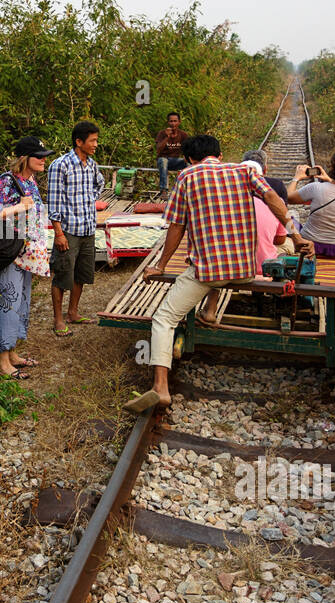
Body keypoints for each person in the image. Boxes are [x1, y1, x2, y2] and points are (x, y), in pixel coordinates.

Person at [123, 150, 314, 412]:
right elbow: (272, 197)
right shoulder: (244, 172)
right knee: (216, 272)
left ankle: (160, 388)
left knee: (164, 318)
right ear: (220, 155)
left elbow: (177, 225)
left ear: (192, 158)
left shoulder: (188, 176)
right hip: (245, 269)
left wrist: (161, 265)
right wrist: (295, 233)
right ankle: (210, 312)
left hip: (210, 272)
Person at [0, 136, 53, 378]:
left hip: (26, 256)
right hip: (10, 255)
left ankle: (12, 353)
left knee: (21, 302)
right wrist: (17, 208)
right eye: (39, 156)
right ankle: (3, 363)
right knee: (8, 302)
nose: (44, 160)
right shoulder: (6, 182)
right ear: (25, 159)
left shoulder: (30, 180)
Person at [45, 120, 105, 337]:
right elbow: (54, 202)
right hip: (68, 230)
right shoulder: (60, 165)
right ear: (79, 141)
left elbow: (100, 183)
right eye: (92, 140)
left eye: (96, 140)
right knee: (62, 274)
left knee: (82, 274)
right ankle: (58, 319)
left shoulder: (92, 165)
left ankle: (73, 312)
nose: (96, 144)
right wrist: (58, 233)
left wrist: (90, 198)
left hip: (88, 228)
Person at [287, 151, 335, 258]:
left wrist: (297, 177)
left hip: (309, 244)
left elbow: (288, 197)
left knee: (287, 216)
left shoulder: (315, 187)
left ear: (332, 167)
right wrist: (329, 179)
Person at [242, 159, 289, 271]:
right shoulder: (277, 203)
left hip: (234, 268)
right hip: (263, 266)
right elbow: (280, 240)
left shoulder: (224, 204)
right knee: (288, 244)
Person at [154, 112, 191, 193]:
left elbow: (188, 149)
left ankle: (187, 189)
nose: (173, 123)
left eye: (175, 121)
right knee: (163, 161)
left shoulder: (183, 135)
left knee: (189, 163)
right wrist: (167, 137)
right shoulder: (162, 133)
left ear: (179, 122)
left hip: (176, 161)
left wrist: (186, 157)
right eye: (171, 121)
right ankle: (163, 190)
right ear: (168, 122)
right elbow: (158, 150)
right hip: (163, 160)